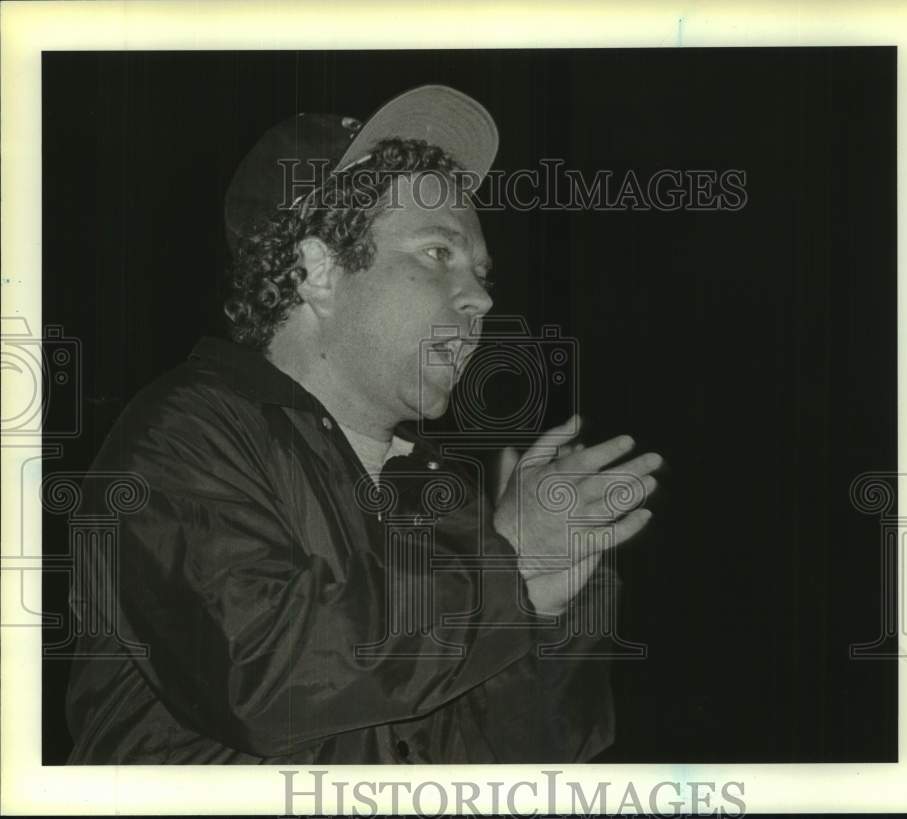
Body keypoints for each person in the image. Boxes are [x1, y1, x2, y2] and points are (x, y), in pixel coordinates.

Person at [64, 85, 663, 764]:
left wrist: (546, 613)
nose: (482, 297)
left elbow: (514, 762)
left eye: (481, 271)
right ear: (318, 271)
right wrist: (508, 560)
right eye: (438, 253)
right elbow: (266, 676)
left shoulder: (439, 497)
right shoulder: (183, 437)